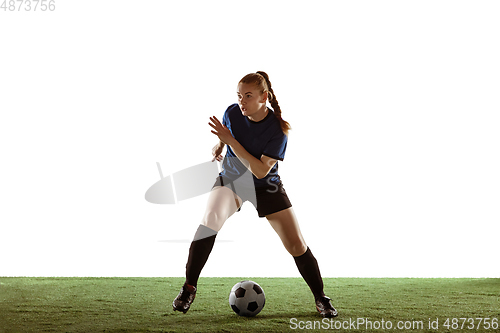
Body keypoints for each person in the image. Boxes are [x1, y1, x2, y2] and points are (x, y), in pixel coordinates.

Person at [172, 71, 338, 318]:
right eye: (239, 96)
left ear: (264, 97)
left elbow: (261, 171)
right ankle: (188, 288)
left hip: (266, 186)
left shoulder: (278, 130)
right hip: (232, 181)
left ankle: (320, 298)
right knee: (210, 221)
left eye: (248, 96)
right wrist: (220, 145)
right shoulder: (232, 113)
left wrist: (230, 141)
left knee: (296, 244)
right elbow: (227, 135)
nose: (242, 102)